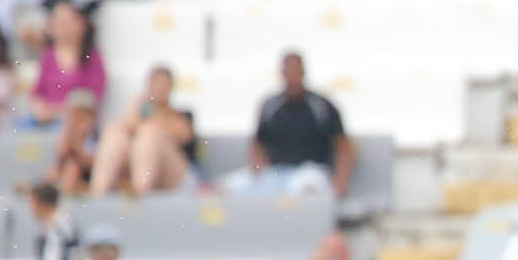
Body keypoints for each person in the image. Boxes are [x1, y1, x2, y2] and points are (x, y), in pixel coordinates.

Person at [227, 53, 353, 198]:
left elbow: (343, 147)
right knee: (232, 187)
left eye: (296, 72)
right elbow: (258, 144)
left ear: (303, 72)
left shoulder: (322, 106)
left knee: (301, 190)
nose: (292, 78)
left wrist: (340, 183)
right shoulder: (270, 106)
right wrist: (259, 170)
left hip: (312, 172)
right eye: (289, 72)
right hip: (278, 172)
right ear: (282, 74)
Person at [91, 64, 199, 196]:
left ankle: (139, 194)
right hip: (139, 168)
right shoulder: (140, 114)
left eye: (163, 84)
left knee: (149, 135)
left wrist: (147, 121)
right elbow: (125, 127)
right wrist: (137, 110)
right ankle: (98, 191)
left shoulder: (181, 116)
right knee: (114, 133)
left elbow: (184, 134)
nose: (159, 88)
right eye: (155, 83)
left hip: (176, 177)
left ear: (171, 86)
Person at [30, 0, 107, 127]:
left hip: (77, 124)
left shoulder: (92, 57)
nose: (62, 27)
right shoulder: (48, 56)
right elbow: (38, 92)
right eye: (58, 22)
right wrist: (41, 109)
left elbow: (92, 97)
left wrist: (56, 111)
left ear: (81, 24)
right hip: (47, 122)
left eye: (66, 22)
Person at [53, 90, 102, 194]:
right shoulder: (63, 132)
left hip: (91, 176)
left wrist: (77, 144)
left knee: (73, 165)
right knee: (70, 165)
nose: (79, 118)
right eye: (75, 114)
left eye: (83, 114)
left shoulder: (99, 137)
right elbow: (61, 154)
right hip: (69, 173)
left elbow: (96, 163)